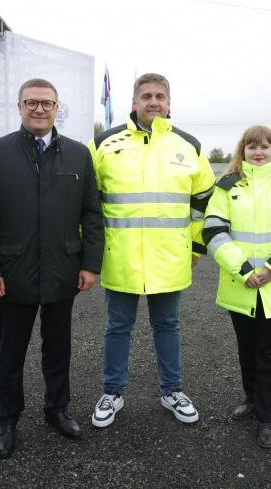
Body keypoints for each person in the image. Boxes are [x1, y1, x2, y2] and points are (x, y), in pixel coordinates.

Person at [0, 78, 103, 458]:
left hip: (63, 269)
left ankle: (57, 410)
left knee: (58, 347)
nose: (39, 109)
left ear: (57, 108)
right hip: (13, 272)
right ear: (19, 107)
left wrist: (90, 264)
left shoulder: (78, 155)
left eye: (47, 103)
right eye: (31, 102)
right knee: (10, 351)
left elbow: (91, 214)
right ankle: (6, 417)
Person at [88, 73, 217, 428]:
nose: (154, 102)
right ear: (134, 102)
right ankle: (112, 392)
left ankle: (172, 391)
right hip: (120, 256)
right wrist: (91, 250)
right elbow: (87, 202)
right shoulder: (104, 144)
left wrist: (195, 245)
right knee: (118, 326)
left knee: (168, 326)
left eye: (160, 96)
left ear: (169, 103)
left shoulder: (188, 145)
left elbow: (204, 200)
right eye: (146, 96)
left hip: (170, 257)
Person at [202, 126, 271, 448]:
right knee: (247, 349)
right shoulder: (227, 185)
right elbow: (213, 230)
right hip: (240, 284)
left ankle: (266, 417)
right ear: (243, 150)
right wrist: (243, 270)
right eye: (252, 146)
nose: (258, 152)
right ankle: (251, 399)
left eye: (265, 146)